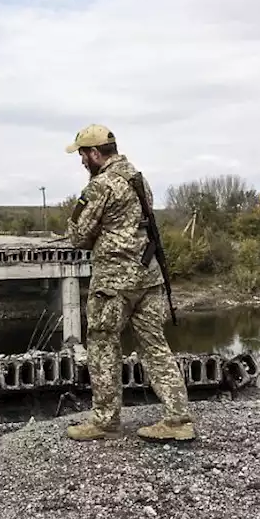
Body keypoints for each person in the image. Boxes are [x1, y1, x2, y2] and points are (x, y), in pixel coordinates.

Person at [62, 124, 194, 442]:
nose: (81, 162)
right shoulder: (137, 178)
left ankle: (106, 421)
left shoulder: (101, 186)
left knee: (103, 345)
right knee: (155, 346)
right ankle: (178, 420)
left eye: (82, 155)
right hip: (147, 277)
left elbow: (78, 237)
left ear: (95, 153)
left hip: (114, 282)